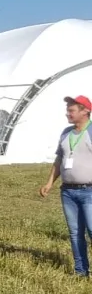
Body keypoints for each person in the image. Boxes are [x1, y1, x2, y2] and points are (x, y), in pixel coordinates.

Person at [40, 95, 92, 277]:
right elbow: (59, 159)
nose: (67, 113)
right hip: (68, 192)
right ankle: (81, 272)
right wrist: (49, 183)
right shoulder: (65, 133)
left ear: (85, 111)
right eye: (68, 110)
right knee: (75, 233)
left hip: (90, 192)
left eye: (71, 110)